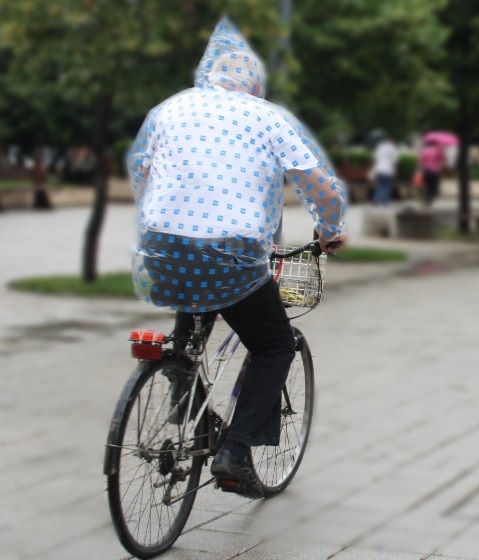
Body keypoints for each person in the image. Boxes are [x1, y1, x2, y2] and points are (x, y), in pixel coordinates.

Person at [126, 18, 347, 498]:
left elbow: (141, 169)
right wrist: (330, 231)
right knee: (274, 346)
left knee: (188, 337)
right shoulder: (268, 117)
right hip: (231, 253)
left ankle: (189, 402)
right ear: (252, 82)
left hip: (163, 247)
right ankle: (236, 451)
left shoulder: (169, 108)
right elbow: (319, 186)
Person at [371, 133, 399, 205]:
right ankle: (385, 203)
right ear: (392, 141)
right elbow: (395, 161)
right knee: (387, 186)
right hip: (388, 170)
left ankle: (376, 198)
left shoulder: (380, 147)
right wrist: (395, 171)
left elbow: (375, 158)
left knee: (380, 185)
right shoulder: (393, 148)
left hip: (379, 169)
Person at [419, 138, 446, 206]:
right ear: (435, 143)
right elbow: (443, 158)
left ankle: (428, 198)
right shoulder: (438, 150)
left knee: (428, 184)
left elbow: (421, 160)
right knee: (433, 184)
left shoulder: (425, 150)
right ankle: (431, 198)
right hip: (435, 170)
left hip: (426, 170)